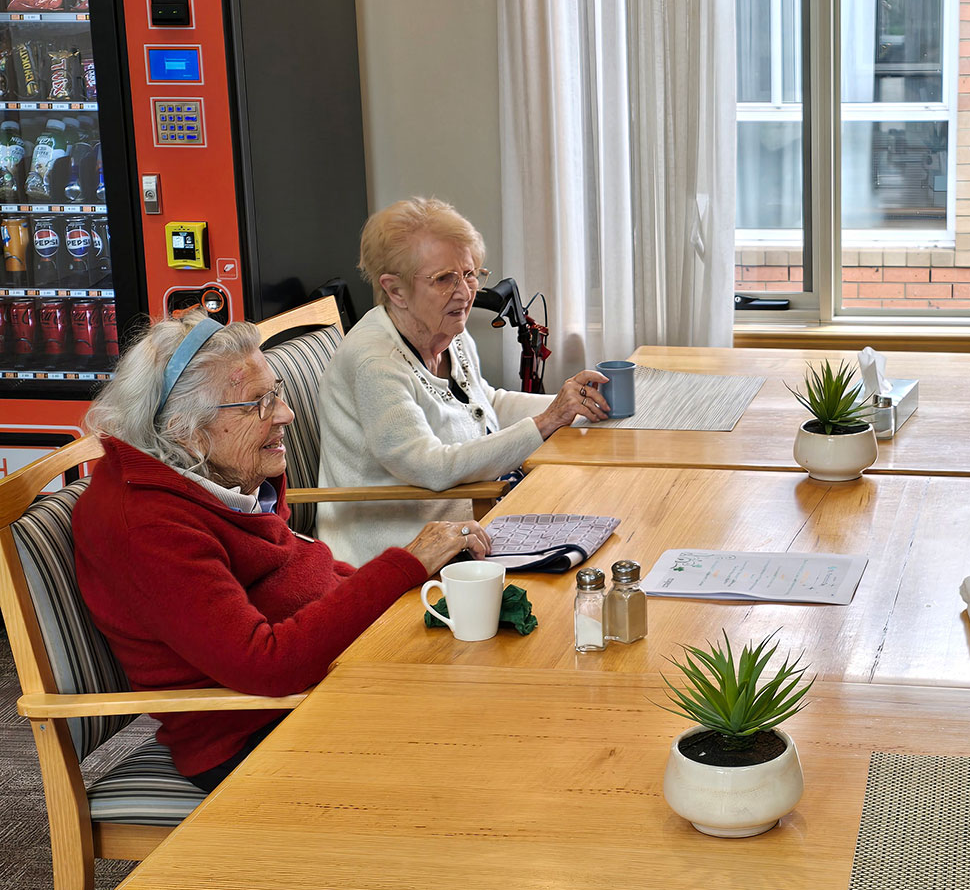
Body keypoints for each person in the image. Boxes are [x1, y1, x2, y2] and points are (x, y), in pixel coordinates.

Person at [73, 311, 489, 790]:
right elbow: (267, 665)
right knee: (479, 738)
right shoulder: (145, 526)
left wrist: (417, 580)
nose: (285, 414)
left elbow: (297, 570)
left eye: (277, 393)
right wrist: (405, 566)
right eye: (259, 403)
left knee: (494, 674)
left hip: (324, 684)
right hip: (256, 734)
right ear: (186, 429)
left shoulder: (213, 473)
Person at [316, 198, 608, 567]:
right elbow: (431, 467)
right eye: (444, 279)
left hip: (471, 520)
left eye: (469, 274)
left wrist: (575, 402)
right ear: (395, 290)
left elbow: (487, 402)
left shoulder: (446, 330)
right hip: (396, 553)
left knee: (600, 516)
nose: (465, 292)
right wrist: (547, 421)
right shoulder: (375, 362)